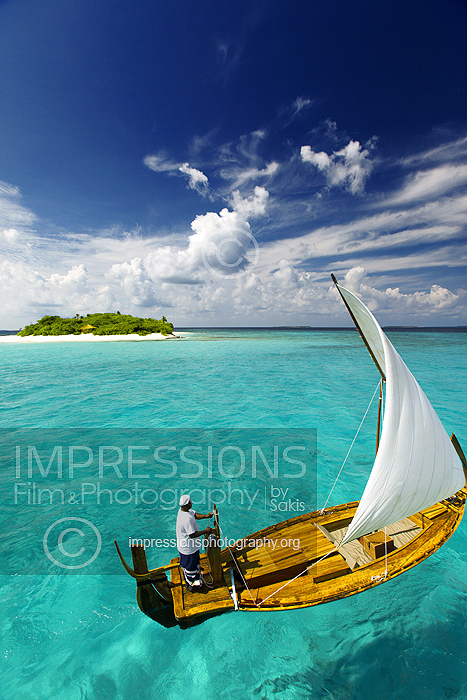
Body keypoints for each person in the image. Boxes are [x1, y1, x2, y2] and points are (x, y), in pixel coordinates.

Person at [176, 495, 214, 591]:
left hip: (188, 546)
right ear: (185, 505)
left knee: (190, 563)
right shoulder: (186, 519)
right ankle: (192, 584)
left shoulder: (184, 511)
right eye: (190, 502)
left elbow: (195, 514)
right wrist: (205, 531)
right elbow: (192, 534)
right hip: (188, 548)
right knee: (191, 566)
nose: (192, 503)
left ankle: (191, 572)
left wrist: (206, 516)